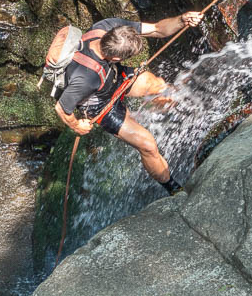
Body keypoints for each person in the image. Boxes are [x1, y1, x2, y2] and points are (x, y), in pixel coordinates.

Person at [54, 12, 204, 194]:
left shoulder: (107, 26)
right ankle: (174, 189)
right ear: (116, 58)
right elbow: (61, 107)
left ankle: (159, 110)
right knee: (147, 145)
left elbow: (157, 29)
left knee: (158, 85)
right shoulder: (85, 77)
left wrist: (181, 20)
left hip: (113, 76)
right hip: (99, 105)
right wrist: (77, 125)